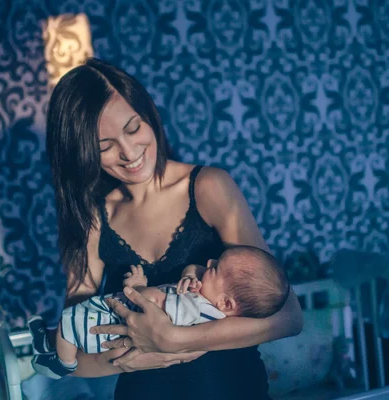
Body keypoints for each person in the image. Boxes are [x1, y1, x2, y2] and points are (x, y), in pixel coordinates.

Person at [43, 57, 303, 399]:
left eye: (133, 128)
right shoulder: (91, 219)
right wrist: (130, 360)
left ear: (149, 115)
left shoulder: (209, 187)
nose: (129, 152)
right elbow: (76, 355)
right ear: (83, 154)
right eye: (104, 147)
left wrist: (175, 340)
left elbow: (289, 318)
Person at [31, 245, 290, 379]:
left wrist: (138, 288)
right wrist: (190, 274)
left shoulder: (196, 307)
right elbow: (192, 271)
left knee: (70, 321)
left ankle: (61, 360)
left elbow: (156, 306)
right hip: (115, 340)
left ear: (226, 305)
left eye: (214, 269)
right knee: (72, 323)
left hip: (114, 322)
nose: (208, 263)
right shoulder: (206, 302)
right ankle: (50, 342)